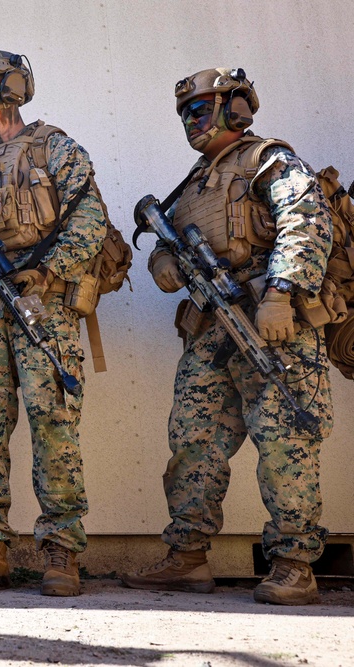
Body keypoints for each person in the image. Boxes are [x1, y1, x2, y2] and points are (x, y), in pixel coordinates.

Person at [121, 68, 333, 606]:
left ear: (236, 107)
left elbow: (306, 219)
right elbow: (170, 237)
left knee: (285, 439)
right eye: (185, 114)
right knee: (192, 441)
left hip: (270, 324)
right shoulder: (193, 184)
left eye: (201, 109)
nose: (192, 121)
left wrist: (283, 291)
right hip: (212, 330)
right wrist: (164, 260)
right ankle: (187, 557)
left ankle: (293, 562)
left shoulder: (268, 159)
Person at [0, 51, 108, 596]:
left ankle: (61, 551)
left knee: (53, 425)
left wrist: (46, 271)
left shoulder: (56, 147)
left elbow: (91, 222)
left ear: (11, 86)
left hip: (44, 310)